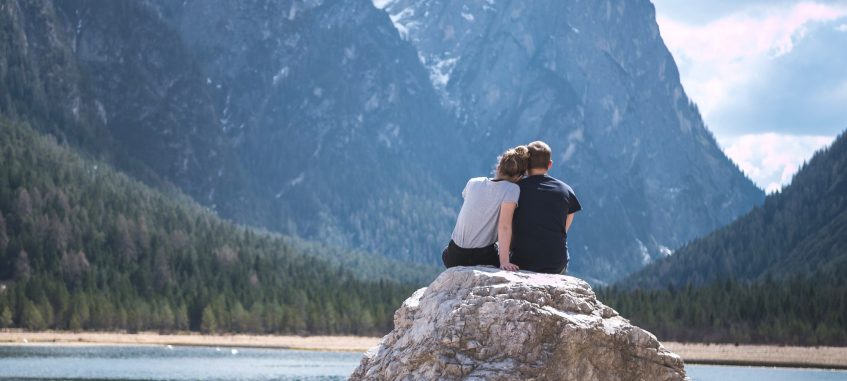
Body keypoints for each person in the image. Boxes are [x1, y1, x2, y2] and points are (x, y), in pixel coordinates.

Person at [442, 146, 529, 271]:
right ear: (518, 177)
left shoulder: (473, 182)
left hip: (453, 255)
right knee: (516, 256)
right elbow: (504, 226)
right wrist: (504, 262)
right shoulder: (512, 189)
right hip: (481, 257)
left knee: (446, 251)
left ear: (499, 167)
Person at [511, 141, 581, 274]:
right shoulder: (566, 190)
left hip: (521, 262)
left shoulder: (514, 189)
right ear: (549, 165)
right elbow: (563, 229)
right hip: (556, 263)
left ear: (526, 165)